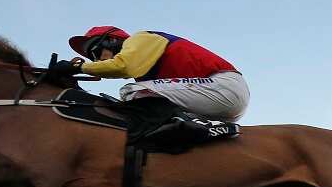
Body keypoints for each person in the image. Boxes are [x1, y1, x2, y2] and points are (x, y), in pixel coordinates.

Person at [53, 26, 249, 122]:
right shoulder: (147, 76)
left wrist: (78, 68)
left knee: (131, 92)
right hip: (219, 98)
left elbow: (121, 67)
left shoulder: (140, 39)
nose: (96, 61)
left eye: (95, 53)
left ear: (112, 41)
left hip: (223, 86)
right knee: (147, 105)